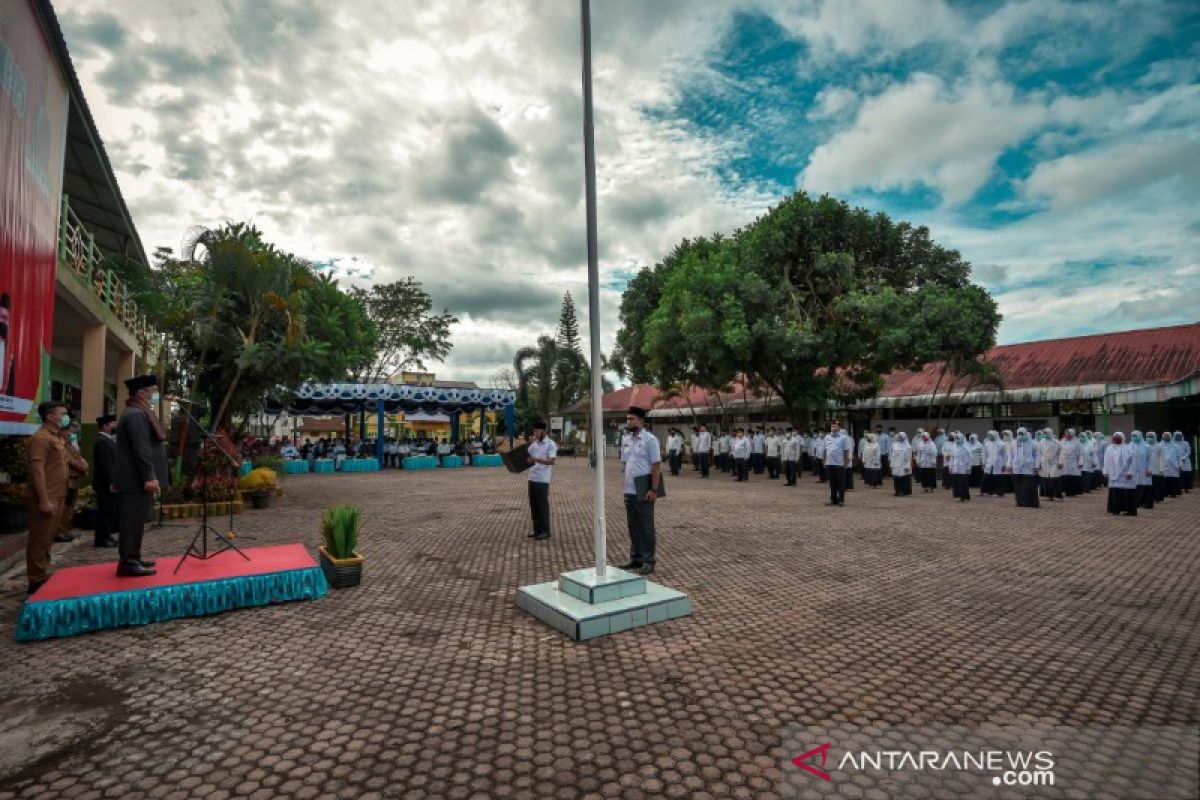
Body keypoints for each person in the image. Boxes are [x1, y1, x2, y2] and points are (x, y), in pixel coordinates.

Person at [114, 374, 169, 577]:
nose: (155, 394)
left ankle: (133, 558)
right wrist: (149, 476)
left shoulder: (137, 412)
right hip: (135, 480)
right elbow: (141, 449)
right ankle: (128, 562)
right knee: (131, 522)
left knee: (136, 522)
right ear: (141, 392)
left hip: (136, 479)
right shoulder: (136, 414)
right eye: (152, 390)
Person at [24, 402, 73, 595]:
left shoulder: (57, 438)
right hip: (45, 496)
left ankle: (42, 573)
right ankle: (35, 580)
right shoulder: (41, 439)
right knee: (39, 539)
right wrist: (44, 500)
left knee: (47, 538)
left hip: (58, 494)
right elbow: (37, 471)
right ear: (51, 417)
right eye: (63, 414)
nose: (66, 417)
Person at [619, 407, 661, 576]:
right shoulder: (626, 440)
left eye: (632, 419)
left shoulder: (650, 439)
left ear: (641, 421)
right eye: (628, 419)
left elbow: (656, 465)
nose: (629, 422)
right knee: (633, 526)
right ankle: (635, 558)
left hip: (644, 489)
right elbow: (625, 463)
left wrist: (654, 489)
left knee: (646, 527)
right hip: (629, 489)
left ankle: (648, 560)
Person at [56, 420, 88, 542]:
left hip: (74, 479)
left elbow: (79, 458)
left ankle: (65, 530)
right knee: (65, 506)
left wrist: (84, 464)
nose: (71, 432)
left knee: (70, 506)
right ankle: (59, 531)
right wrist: (82, 467)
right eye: (69, 430)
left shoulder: (69, 443)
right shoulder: (60, 444)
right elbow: (69, 460)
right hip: (67, 479)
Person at [525, 420, 556, 541]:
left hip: (542, 479)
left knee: (542, 506)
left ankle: (545, 531)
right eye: (534, 431)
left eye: (537, 431)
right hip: (532, 477)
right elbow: (527, 456)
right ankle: (537, 530)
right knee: (534, 506)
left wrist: (537, 459)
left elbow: (552, 461)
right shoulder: (534, 444)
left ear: (543, 431)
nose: (535, 433)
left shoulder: (550, 444)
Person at [92, 414, 119, 548]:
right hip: (105, 484)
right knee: (104, 511)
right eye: (113, 424)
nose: (115, 426)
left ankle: (107, 535)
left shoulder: (108, 440)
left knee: (109, 511)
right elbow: (107, 464)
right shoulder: (102, 441)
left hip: (108, 483)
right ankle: (102, 538)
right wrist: (111, 482)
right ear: (105, 426)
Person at [1103, 433, 1138, 516]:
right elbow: (1106, 461)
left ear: (1123, 438)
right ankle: (1115, 509)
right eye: (1115, 437)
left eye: (1119, 437)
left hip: (1125, 474)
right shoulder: (1109, 448)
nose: (1117, 439)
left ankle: (1129, 511)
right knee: (1115, 492)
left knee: (1127, 493)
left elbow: (1133, 461)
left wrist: (1130, 472)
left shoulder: (1128, 448)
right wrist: (1106, 471)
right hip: (1113, 474)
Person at [1008, 427, 1040, 508]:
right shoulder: (1013, 443)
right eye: (1019, 434)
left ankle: (1032, 503)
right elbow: (1010, 456)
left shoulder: (1033, 443)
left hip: (1029, 467)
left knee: (1030, 486)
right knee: (1018, 487)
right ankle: (1020, 502)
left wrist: (1036, 466)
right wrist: (1009, 465)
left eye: (1022, 434)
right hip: (1017, 467)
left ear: (1026, 433)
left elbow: (1037, 455)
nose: (1021, 436)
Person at [822, 420, 852, 507]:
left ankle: (841, 500)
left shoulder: (844, 438)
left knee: (841, 483)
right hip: (829, 463)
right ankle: (833, 499)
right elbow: (824, 450)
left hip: (839, 463)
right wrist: (823, 461)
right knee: (832, 483)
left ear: (839, 427)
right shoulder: (827, 437)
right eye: (832, 426)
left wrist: (846, 462)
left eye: (835, 426)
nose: (833, 428)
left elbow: (846, 451)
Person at [1131, 431, 1154, 509]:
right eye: (1133, 436)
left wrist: (1149, 469)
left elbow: (1150, 459)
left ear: (1140, 436)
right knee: (1135, 486)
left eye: (1135, 436)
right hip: (1133, 470)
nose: (1134, 437)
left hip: (1144, 470)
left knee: (1145, 486)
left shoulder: (1146, 447)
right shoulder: (1130, 446)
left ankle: (1146, 503)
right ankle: (1136, 502)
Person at [1039, 429, 1062, 500]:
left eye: (1046, 433)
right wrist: (1038, 463)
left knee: (1054, 479)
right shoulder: (1041, 442)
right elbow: (1039, 453)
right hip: (1044, 462)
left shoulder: (1056, 442)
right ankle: (1049, 496)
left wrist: (1060, 462)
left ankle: (1057, 495)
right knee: (1045, 479)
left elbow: (1061, 453)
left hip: (1054, 462)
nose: (1045, 434)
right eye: (1044, 433)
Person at [981, 431, 1006, 497]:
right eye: (990, 435)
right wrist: (983, 463)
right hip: (989, 463)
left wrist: (1004, 464)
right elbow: (984, 454)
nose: (991, 437)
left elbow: (1004, 455)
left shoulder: (1001, 444)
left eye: (992, 435)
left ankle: (999, 493)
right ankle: (988, 491)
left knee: (997, 479)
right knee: (987, 477)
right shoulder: (986, 443)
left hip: (998, 464)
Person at [1059, 429, 1082, 497]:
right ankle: (1065, 491)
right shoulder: (1061, 442)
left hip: (1074, 461)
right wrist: (1059, 462)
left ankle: (1073, 492)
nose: (1068, 435)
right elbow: (1059, 453)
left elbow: (1080, 454)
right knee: (1065, 477)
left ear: (1073, 434)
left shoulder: (1077, 442)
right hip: (1064, 461)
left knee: (1073, 477)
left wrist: (1080, 462)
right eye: (1066, 433)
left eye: (1069, 433)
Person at [949, 433, 972, 501]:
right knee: (956, 482)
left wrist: (968, 468)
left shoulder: (966, 448)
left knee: (963, 482)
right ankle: (958, 495)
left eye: (958, 438)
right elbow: (952, 458)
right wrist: (950, 466)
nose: (957, 440)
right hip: (955, 467)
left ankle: (964, 496)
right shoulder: (954, 447)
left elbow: (969, 459)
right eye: (956, 438)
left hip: (963, 468)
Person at [1160, 432, 1181, 498]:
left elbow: (1179, 457)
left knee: (1173, 480)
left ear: (1170, 437)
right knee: (1164, 480)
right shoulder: (1159, 446)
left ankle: (1173, 493)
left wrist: (1180, 465)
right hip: (1163, 465)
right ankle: (1165, 493)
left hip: (1173, 466)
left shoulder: (1175, 446)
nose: (1166, 437)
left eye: (1167, 436)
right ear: (1163, 437)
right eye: (1165, 436)